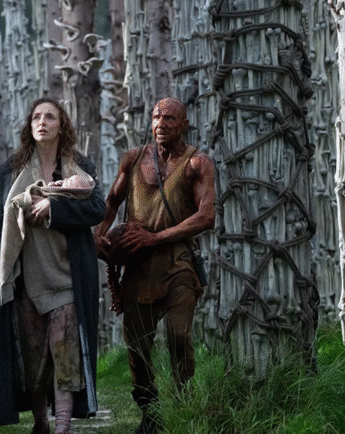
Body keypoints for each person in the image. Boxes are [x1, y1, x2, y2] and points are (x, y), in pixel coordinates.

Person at [0, 97, 105, 434]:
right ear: (29, 126)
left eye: (50, 116)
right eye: (36, 117)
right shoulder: (10, 172)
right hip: (24, 279)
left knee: (65, 352)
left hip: (67, 276)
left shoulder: (79, 168)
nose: (42, 122)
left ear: (63, 126)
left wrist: (54, 208)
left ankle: (62, 425)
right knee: (33, 357)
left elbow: (97, 210)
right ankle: (40, 422)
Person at [94, 97, 216, 434]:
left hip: (179, 263)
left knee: (178, 334)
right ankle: (150, 412)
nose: (161, 123)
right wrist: (99, 236)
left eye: (170, 118)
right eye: (156, 117)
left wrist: (156, 238)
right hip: (138, 267)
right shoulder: (133, 159)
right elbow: (112, 202)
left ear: (184, 125)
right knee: (138, 344)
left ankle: (182, 403)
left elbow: (206, 216)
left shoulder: (198, 163)